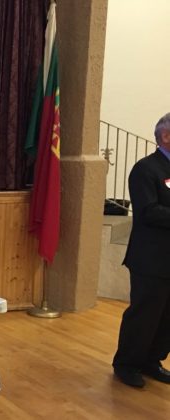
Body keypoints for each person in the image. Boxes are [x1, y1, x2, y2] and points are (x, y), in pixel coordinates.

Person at [112, 113, 170, 388]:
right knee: (145, 313)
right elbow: (148, 212)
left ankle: (151, 360)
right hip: (152, 258)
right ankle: (126, 363)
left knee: (167, 315)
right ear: (165, 136)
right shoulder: (146, 169)